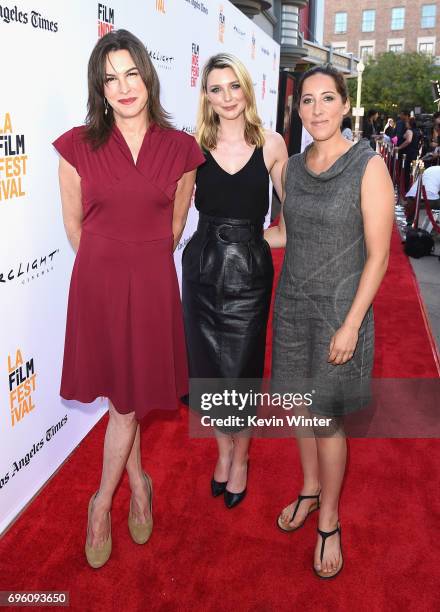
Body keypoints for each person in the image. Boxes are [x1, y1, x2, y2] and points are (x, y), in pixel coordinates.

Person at [52, 29, 205, 568]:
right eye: (109, 78)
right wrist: (110, 264)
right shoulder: (76, 145)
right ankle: (130, 488)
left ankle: (105, 500)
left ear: (147, 74)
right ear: (99, 87)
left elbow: (177, 222)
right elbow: (74, 227)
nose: (122, 87)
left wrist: (141, 262)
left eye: (130, 73)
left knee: (127, 401)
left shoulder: (182, 149)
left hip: (153, 281)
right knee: (125, 398)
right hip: (98, 282)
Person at [264, 64, 394, 579]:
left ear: (344, 106)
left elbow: (379, 255)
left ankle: (330, 521)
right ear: (299, 111)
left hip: (341, 313)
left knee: (328, 420)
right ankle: (309, 490)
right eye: (308, 102)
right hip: (292, 305)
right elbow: (287, 233)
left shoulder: (369, 166)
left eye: (327, 99)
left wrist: (351, 323)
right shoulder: (293, 170)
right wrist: (235, 239)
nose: (317, 110)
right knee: (300, 411)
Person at [182, 53, 287, 508]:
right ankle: (223, 453)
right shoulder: (193, 145)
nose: (226, 97)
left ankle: (241, 459)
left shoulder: (271, 142)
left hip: (248, 273)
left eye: (233, 86)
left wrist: (257, 240)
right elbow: (174, 211)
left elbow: (293, 215)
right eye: (215, 88)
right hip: (202, 271)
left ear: (247, 88)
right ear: (205, 96)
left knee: (241, 374)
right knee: (208, 373)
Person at [395, 116, 422, 192]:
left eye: (407, 122)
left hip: (407, 153)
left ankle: (405, 188)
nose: (405, 124)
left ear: (409, 123)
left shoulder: (409, 131)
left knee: (406, 171)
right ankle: (408, 187)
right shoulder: (418, 131)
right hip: (414, 152)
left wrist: (399, 147)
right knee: (411, 171)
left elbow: (408, 141)